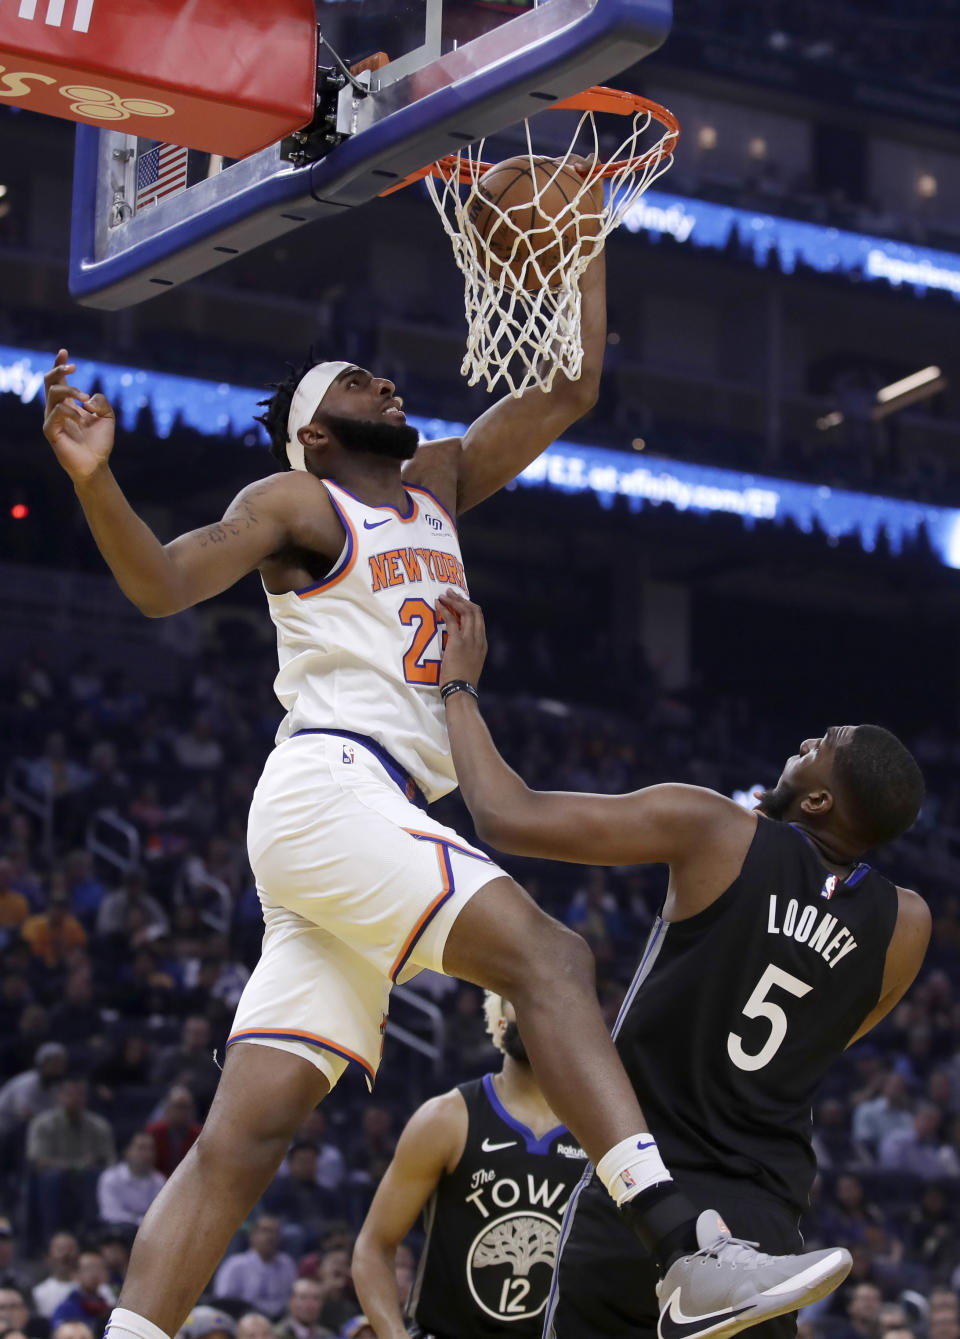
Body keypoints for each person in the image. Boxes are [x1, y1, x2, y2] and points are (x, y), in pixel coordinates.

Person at [42, 222, 841, 1339]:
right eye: (354, 378)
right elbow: (165, 583)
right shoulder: (299, 504)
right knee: (553, 956)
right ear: (316, 433)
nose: (383, 374)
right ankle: (688, 1249)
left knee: (249, 1133)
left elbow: (569, 384)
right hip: (333, 789)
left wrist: (584, 231)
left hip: (365, 818)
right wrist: (95, 481)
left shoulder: (440, 481)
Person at [434, 590, 931, 1339]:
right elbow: (832, 1034)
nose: (802, 740)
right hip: (763, 1226)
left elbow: (506, 814)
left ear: (822, 799)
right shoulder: (909, 924)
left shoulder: (716, 828)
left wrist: (458, 687)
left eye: (818, 744)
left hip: (641, 1190)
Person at [354, 993, 586, 1338]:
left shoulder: (599, 1132)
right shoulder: (446, 1117)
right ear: (498, 1020)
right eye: (515, 996)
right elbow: (373, 1247)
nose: (529, 1005)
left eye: (540, 996)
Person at [212, 1217, 296, 1320]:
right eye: (265, 1231)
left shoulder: (287, 1264)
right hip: (242, 1322)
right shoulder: (235, 1265)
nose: (270, 1236)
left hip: (279, 1324)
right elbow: (222, 1302)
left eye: (275, 1232)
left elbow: (293, 1298)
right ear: (252, 1235)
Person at [97, 1133, 166, 1226]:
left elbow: (162, 1215)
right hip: (119, 1232)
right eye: (141, 1148)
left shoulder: (160, 1180)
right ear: (127, 1152)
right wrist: (140, 1221)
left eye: (151, 1149)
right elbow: (110, 1214)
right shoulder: (110, 1178)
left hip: (151, 1233)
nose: (148, 1155)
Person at [32, 1234, 80, 1319]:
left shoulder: (98, 1289)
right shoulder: (39, 1292)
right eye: (60, 1249)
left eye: (70, 1249)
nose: (66, 1254)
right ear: (48, 1256)